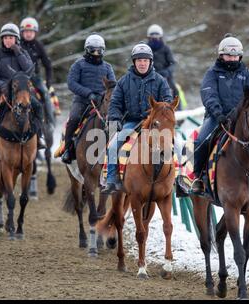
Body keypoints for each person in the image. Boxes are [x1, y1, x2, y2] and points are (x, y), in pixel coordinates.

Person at [192, 34, 249, 194]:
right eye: (229, 55)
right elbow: (209, 95)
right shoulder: (212, 73)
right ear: (221, 55)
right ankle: (199, 178)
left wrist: (244, 115)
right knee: (201, 141)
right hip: (217, 118)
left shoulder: (247, 74)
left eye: (235, 56)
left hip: (242, 119)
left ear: (240, 56)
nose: (232, 59)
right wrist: (219, 113)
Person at [101, 43, 172, 194]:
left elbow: (167, 102)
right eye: (139, 60)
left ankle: (180, 179)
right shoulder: (123, 81)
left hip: (155, 124)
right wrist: (115, 119)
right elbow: (115, 103)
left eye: (145, 60)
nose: (142, 63)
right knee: (113, 146)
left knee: (177, 146)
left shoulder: (161, 81)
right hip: (131, 123)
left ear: (150, 62)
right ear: (134, 62)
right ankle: (112, 180)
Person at [0, 23, 44, 148]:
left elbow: (29, 70)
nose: (7, 40)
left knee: (37, 106)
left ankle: (38, 135)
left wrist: (18, 53)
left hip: (21, 91)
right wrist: (2, 85)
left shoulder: (23, 52)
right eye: (5, 38)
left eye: (10, 38)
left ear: (16, 39)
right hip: (2, 89)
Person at [61, 34, 116, 164]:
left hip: (102, 101)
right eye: (93, 50)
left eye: (99, 50)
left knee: (114, 121)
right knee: (74, 118)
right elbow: (71, 83)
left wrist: (103, 95)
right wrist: (88, 93)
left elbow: (113, 85)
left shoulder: (108, 67)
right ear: (87, 50)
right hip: (82, 100)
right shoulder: (78, 65)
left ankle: (115, 149)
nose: (96, 53)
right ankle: (68, 149)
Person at [19, 17, 55, 126]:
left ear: (35, 32)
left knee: (45, 93)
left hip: (35, 77)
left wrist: (48, 82)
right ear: (22, 33)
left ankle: (49, 121)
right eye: (26, 31)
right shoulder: (17, 45)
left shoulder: (39, 46)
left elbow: (48, 65)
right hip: (19, 77)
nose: (28, 34)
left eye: (31, 32)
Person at [146, 24, 180, 109]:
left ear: (160, 36)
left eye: (156, 36)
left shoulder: (165, 48)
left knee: (175, 90)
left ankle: (178, 110)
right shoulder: (146, 48)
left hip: (165, 76)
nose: (154, 38)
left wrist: (167, 71)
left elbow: (173, 63)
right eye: (152, 36)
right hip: (150, 75)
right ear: (149, 37)